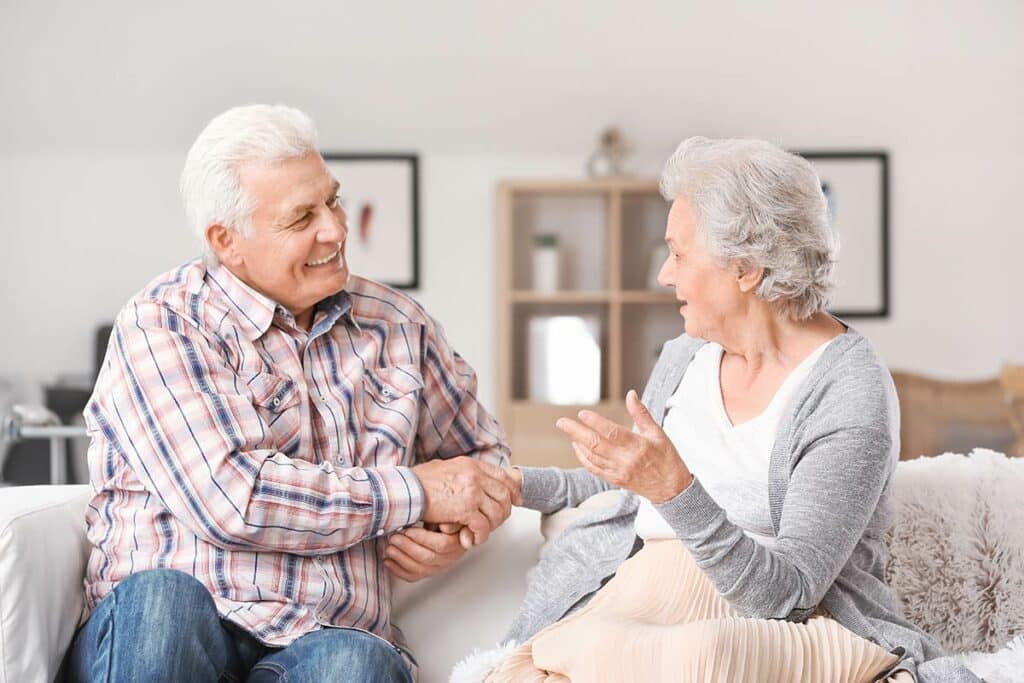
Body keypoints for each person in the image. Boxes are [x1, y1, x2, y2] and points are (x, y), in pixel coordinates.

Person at [488, 138, 980, 682]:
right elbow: (631, 493)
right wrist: (511, 485)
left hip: (771, 629)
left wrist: (677, 490)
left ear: (744, 269)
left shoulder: (847, 391)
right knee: (529, 667)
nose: (664, 276)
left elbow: (787, 595)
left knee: (698, 658)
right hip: (641, 612)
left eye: (677, 253)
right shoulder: (683, 357)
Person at [67, 104, 517, 683]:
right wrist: (414, 493)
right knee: (162, 604)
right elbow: (235, 500)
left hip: (325, 635)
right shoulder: (164, 323)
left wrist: (454, 529)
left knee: (360, 661)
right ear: (227, 241)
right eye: (301, 217)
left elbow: (486, 459)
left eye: (332, 200)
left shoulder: (400, 325)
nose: (333, 228)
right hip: (177, 629)